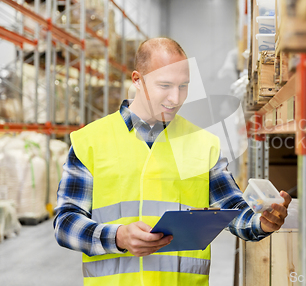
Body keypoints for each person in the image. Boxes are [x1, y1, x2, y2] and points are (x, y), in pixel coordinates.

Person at [53, 37, 291, 286]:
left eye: (184, 86)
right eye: (165, 85)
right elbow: (66, 223)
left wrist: (261, 222)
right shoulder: (90, 141)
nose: (175, 98)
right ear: (137, 80)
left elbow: (232, 209)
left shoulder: (203, 143)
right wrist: (117, 236)